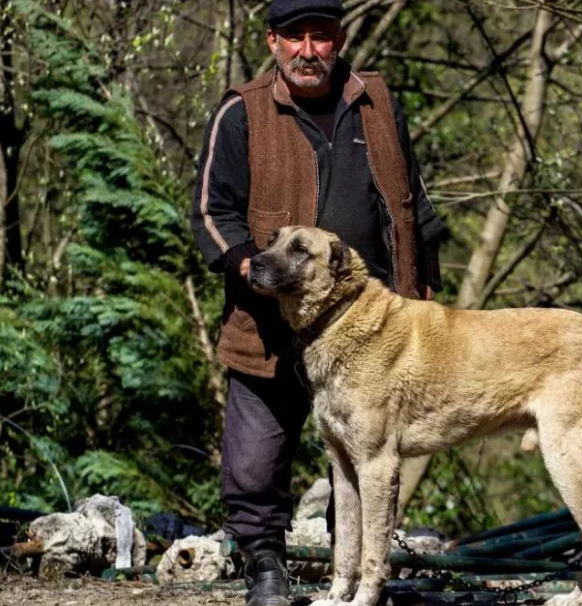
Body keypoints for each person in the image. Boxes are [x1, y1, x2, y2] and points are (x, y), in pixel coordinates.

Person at [190, 1, 446, 604]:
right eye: (296, 38)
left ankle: (353, 575)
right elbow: (209, 212)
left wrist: (425, 281)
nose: (310, 50)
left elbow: (414, 198)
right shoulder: (242, 111)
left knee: (365, 461)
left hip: (371, 328)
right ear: (274, 42)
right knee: (255, 464)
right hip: (271, 322)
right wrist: (248, 264)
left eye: (322, 37)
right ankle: (266, 569)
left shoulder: (377, 100)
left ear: (340, 39)